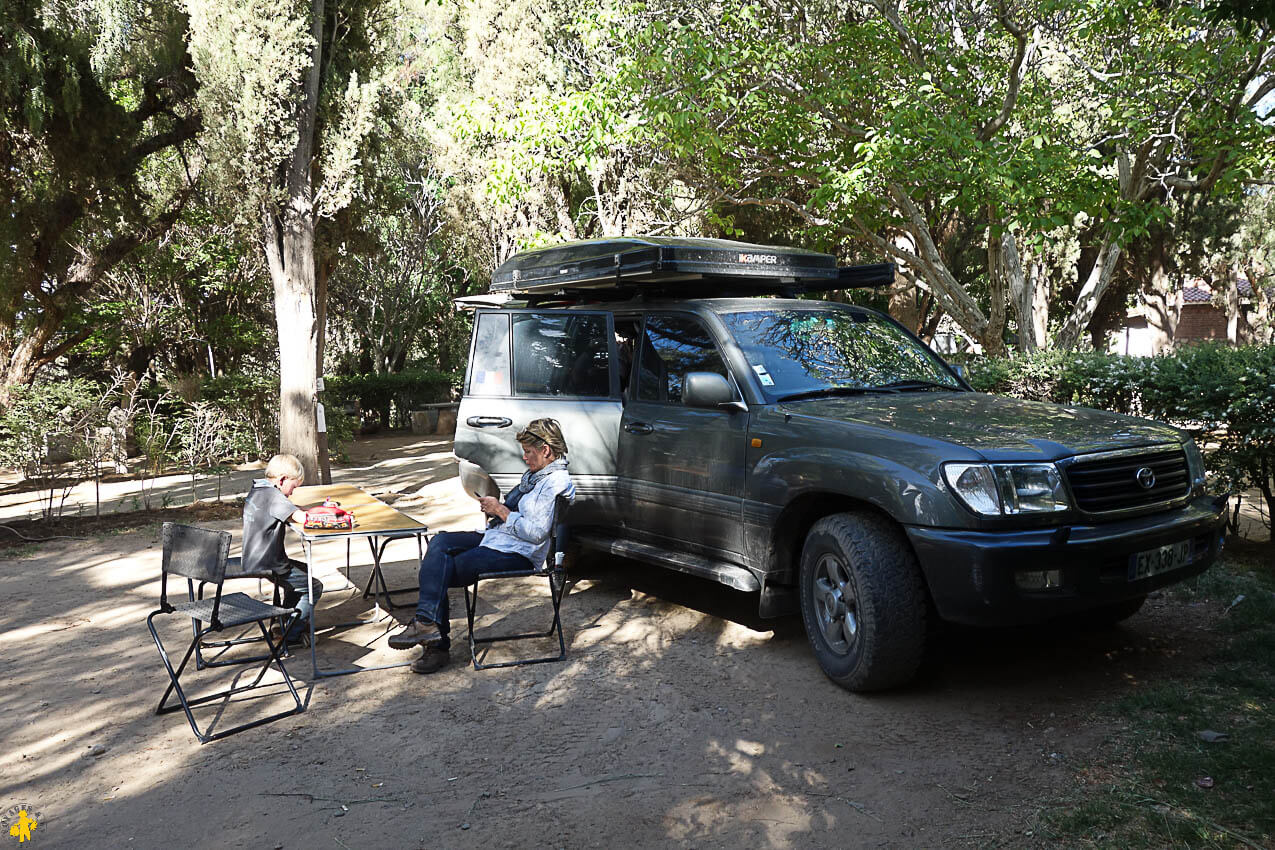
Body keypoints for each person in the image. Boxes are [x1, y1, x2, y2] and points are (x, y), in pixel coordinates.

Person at [389, 418, 574, 674]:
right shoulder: (534, 476)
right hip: (498, 537)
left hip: (519, 553)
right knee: (440, 543)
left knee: (441, 569)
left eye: (529, 452)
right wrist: (496, 507)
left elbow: (535, 533)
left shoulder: (555, 482)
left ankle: (436, 644)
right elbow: (515, 512)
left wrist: (501, 511)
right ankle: (427, 623)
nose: (524, 457)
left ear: (546, 450)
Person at [241, 454, 324, 643]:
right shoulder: (274, 497)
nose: (292, 493)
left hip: (253, 557)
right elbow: (302, 519)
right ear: (282, 479)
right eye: (293, 487)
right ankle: (290, 635)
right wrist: (325, 514)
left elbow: (283, 509)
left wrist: (296, 508)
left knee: (302, 572)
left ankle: (280, 621)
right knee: (313, 587)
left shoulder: (260, 489)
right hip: (269, 562)